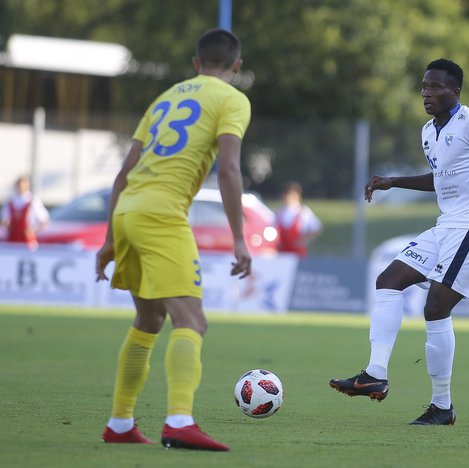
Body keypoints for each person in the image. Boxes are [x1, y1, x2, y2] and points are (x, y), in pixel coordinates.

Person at [329, 59, 469, 425]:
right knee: (388, 280)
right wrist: (393, 181)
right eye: (424, 87)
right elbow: (441, 179)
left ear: (456, 91)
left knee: (435, 307)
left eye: (436, 87)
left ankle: (442, 406)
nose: (428, 94)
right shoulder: (428, 132)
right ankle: (375, 373)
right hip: (445, 226)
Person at [95, 28, 252, 451]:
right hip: (162, 215)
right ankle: (179, 421)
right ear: (236, 66)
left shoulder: (165, 98)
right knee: (192, 320)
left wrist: (109, 239)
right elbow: (230, 169)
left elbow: (122, 174)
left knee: (148, 322)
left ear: (196, 63)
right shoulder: (232, 99)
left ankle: (121, 423)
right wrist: (240, 238)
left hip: (128, 210)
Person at [274, 181, 322, 256]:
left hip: (297, 253)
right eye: (285, 194)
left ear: (296, 195)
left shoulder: (303, 212)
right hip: (282, 252)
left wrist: (304, 240)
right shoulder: (279, 212)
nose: (286, 197)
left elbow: (317, 228)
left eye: (289, 194)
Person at [1, 175, 50, 249]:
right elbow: (4, 220)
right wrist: (7, 226)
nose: (20, 187)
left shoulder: (33, 201)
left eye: (23, 185)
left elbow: (45, 221)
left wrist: (33, 231)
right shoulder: (10, 201)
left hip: (28, 242)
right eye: (19, 185)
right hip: (13, 239)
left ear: (27, 186)